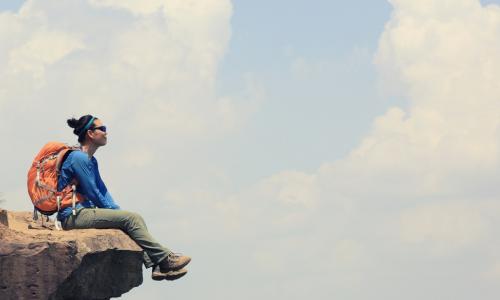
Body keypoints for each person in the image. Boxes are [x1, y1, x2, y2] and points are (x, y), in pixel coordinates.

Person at [57, 114, 191, 281]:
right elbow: (93, 193)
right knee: (131, 219)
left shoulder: (91, 160)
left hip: (84, 212)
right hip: (73, 215)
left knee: (132, 219)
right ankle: (165, 259)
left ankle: (157, 266)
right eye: (102, 129)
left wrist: (118, 212)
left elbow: (103, 191)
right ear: (90, 134)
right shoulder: (78, 158)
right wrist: (124, 216)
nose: (106, 132)